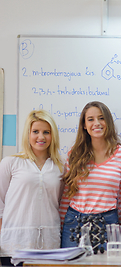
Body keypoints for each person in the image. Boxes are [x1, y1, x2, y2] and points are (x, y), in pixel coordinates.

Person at [60, 101, 121, 248]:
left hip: (107, 223)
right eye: (90, 119)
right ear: (84, 125)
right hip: (74, 221)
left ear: (108, 122)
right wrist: (61, 225)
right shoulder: (74, 154)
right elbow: (67, 194)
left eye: (101, 118)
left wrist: (120, 228)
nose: (96, 123)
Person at [0, 110, 64, 265]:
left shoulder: (61, 167)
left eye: (46, 132)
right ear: (28, 134)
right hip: (14, 244)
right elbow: (0, 204)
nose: (41, 137)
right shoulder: (10, 163)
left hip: (49, 245)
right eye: (35, 131)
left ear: (52, 135)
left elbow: (61, 203)